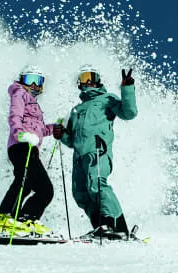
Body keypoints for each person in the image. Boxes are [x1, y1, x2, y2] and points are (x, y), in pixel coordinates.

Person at [53, 64, 137, 238]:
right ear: (79, 83)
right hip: (79, 157)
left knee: (97, 185)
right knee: (81, 194)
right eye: (84, 78)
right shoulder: (76, 110)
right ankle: (101, 226)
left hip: (98, 151)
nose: (89, 81)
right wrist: (61, 134)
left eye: (92, 77)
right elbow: (72, 140)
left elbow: (129, 113)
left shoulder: (107, 99)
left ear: (99, 80)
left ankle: (116, 226)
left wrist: (127, 88)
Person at [0, 65, 60, 235]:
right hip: (21, 145)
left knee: (38, 187)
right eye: (29, 79)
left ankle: (25, 219)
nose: (33, 84)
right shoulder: (19, 93)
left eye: (37, 81)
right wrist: (20, 134)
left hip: (31, 147)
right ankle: (6, 217)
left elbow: (39, 130)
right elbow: (14, 116)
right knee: (27, 182)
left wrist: (54, 128)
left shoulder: (35, 106)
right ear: (21, 80)